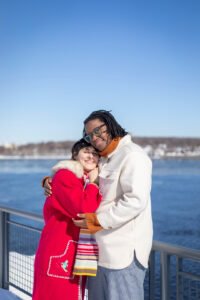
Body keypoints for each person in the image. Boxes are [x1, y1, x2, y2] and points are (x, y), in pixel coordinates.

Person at [44, 110, 153, 300]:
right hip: (98, 254)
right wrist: (49, 181)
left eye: (97, 130)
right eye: (88, 135)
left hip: (122, 255)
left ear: (110, 125)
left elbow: (136, 200)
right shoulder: (104, 157)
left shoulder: (133, 156)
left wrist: (98, 220)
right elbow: (78, 176)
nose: (93, 138)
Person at [33, 139, 102, 300]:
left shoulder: (81, 178)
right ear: (75, 155)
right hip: (61, 248)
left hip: (69, 249)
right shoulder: (66, 175)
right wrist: (93, 184)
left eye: (95, 153)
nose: (91, 156)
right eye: (86, 151)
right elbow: (83, 210)